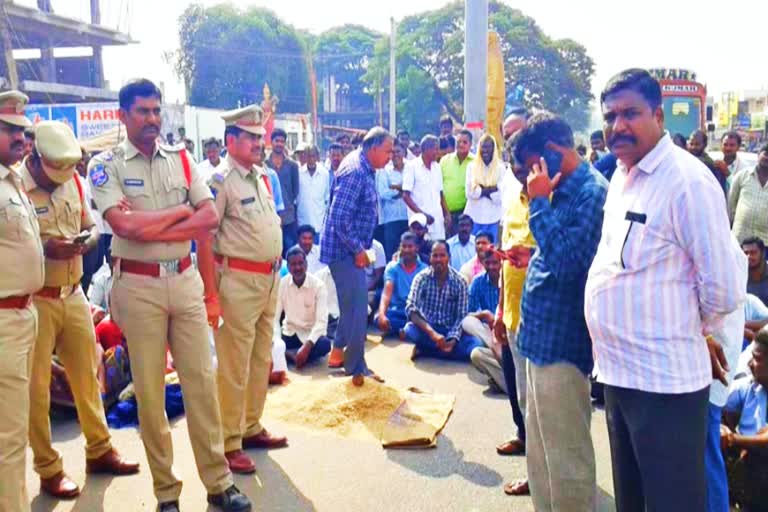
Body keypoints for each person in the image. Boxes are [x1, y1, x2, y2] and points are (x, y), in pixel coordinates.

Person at [585, 68, 745, 512]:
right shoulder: (621, 175)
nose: (618, 126)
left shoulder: (687, 183)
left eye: (631, 113)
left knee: (673, 502)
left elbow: (724, 288)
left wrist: (695, 330)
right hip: (619, 375)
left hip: (666, 384)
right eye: (610, 115)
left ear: (658, 116)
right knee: (633, 501)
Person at [89, 79, 251, 512]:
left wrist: (155, 222)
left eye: (157, 110)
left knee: (201, 383)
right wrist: (182, 213)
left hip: (184, 281)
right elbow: (123, 229)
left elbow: (210, 216)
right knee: (150, 392)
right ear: (122, 116)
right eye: (142, 111)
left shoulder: (181, 158)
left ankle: (219, 483)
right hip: (137, 287)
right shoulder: (105, 166)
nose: (152, 119)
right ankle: (166, 494)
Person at [23, 121, 140, 498]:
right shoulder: (14, 190)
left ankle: (100, 449)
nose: (62, 179)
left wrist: (84, 242)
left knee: (88, 375)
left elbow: (92, 225)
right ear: (35, 158)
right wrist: (46, 249)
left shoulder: (73, 180)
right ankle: (48, 468)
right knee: (37, 387)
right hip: (34, 299)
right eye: (54, 171)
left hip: (73, 294)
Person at [514, 111, 608, 511]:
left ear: (551, 153)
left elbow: (570, 265)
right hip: (537, 339)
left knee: (566, 458)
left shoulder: (591, 192)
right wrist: (533, 251)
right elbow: (557, 252)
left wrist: (538, 204)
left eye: (529, 166)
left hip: (563, 346)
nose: (525, 177)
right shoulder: (561, 188)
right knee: (540, 454)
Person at [196, 104, 288, 477]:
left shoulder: (260, 177)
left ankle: (250, 425)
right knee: (233, 365)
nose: (259, 144)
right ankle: (229, 442)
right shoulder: (219, 181)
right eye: (250, 137)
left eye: (260, 137)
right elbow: (205, 237)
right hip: (236, 282)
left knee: (260, 358)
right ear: (230, 140)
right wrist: (211, 294)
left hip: (268, 280)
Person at [321, 126, 394, 386]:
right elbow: (339, 219)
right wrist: (359, 250)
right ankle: (356, 367)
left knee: (351, 306)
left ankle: (337, 354)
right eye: (387, 151)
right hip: (344, 251)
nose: (390, 156)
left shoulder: (365, 167)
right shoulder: (354, 171)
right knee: (357, 308)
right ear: (373, 148)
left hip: (350, 250)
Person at [0, 90, 44, 512]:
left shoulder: (12, 179)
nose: (20, 137)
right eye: (9, 129)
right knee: (8, 439)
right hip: (3, 322)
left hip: (23, 315)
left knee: (14, 431)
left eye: (21, 129)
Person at [493, 154, 536, 495]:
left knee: (538, 405)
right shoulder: (512, 198)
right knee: (523, 398)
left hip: (540, 321)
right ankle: (533, 460)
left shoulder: (550, 199)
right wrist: (499, 311)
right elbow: (505, 260)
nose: (518, 172)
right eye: (513, 164)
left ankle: (539, 476)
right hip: (512, 314)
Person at [404, 241, 484, 361]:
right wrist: (433, 334)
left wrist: (453, 339)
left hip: (450, 329)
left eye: (442, 255)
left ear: (449, 258)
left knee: (476, 344)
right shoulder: (421, 278)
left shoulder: (460, 281)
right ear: (430, 258)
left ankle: (428, 351)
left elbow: (461, 315)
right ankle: (447, 353)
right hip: (429, 329)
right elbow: (411, 309)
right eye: (435, 256)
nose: (438, 259)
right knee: (409, 330)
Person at [722, 330, 768, 510]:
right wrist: (724, 428)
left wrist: (734, 440)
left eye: (757, 358)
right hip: (750, 472)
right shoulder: (749, 386)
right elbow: (718, 405)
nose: (749, 364)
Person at [275, 246, 332, 368]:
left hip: (310, 334)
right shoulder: (282, 284)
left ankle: (293, 355)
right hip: (289, 333)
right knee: (268, 341)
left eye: (301, 263)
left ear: (306, 264)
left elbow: (322, 322)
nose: (297, 267)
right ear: (288, 267)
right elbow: (275, 317)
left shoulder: (318, 286)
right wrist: (278, 343)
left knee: (325, 345)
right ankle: (290, 354)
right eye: (293, 264)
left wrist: (307, 346)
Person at [466, 249, 505, 392]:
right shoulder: (478, 281)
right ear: (483, 263)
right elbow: (467, 313)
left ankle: (508, 385)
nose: (492, 267)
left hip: (511, 338)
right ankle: (513, 386)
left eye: (495, 262)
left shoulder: (510, 280)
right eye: (488, 263)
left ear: (502, 262)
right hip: (490, 336)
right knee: (476, 354)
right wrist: (484, 314)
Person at [375, 232, 428, 337]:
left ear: (416, 248)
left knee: (429, 322)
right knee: (378, 319)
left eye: (410, 246)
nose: (407, 250)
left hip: (417, 313)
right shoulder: (392, 267)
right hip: (397, 311)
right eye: (404, 246)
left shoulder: (425, 269)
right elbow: (386, 293)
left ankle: (405, 330)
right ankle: (407, 330)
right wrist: (382, 315)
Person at [403, 135, 452, 240]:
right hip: (420, 225)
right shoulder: (411, 167)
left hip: (437, 222)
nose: (438, 152)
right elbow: (405, 196)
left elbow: (440, 193)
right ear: (426, 149)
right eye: (435, 149)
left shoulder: (437, 167)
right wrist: (422, 214)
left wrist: (447, 214)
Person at [266, 128, 300, 256]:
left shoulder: (292, 165)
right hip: (269, 217)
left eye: (282, 141)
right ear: (272, 142)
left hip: (288, 218)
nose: (279, 144)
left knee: (290, 252)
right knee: (273, 253)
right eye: (277, 141)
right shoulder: (264, 164)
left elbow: (295, 190)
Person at [465, 133, 505, 235]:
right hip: (474, 216)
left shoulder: (501, 168)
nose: (485, 151)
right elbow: (470, 193)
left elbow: (501, 197)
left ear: (494, 149)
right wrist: (492, 189)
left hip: (494, 217)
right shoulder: (471, 166)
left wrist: (481, 189)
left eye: (488, 147)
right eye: (483, 147)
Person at [729, 143, 768, 245]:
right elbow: (731, 204)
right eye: (766, 154)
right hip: (740, 238)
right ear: (758, 154)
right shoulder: (742, 175)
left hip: (765, 242)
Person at [376, 140, 409, 260]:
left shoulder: (411, 168)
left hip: (409, 218)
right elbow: (383, 193)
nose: (395, 155)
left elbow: (415, 190)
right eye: (392, 152)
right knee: (391, 254)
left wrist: (395, 187)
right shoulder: (384, 171)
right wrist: (403, 191)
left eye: (398, 151)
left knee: (409, 253)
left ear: (404, 153)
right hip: (391, 219)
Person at [440, 129, 474, 231]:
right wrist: (446, 212)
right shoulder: (445, 160)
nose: (461, 145)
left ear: (470, 144)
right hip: (446, 212)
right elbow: (439, 187)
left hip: (466, 213)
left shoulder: (475, 162)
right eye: (458, 142)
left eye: (464, 142)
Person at [296, 145, 330, 235]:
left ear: (317, 157)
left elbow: (327, 198)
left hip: (319, 222)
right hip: (303, 221)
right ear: (304, 157)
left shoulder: (324, 174)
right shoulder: (299, 173)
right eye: (308, 156)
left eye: (313, 156)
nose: (311, 159)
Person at [689, 129, 726, 195]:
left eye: (697, 144)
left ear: (704, 145)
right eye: (691, 144)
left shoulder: (711, 165)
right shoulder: (686, 161)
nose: (693, 147)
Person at [743, 237, 768, 306]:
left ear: (763, 253)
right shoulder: (738, 275)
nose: (749, 256)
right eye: (745, 253)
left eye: (753, 252)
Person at [365, 239, 386, 313]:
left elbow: (378, 276)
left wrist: (362, 290)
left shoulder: (377, 247)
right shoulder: (347, 245)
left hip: (369, 290)